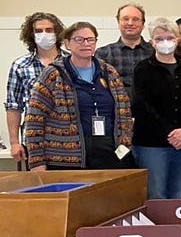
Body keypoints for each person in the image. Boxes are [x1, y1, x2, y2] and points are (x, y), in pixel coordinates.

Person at [25, 21, 133, 170]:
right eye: (79, 39)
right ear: (67, 43)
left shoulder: (109, 72)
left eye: (90, 39)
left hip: (109, 156)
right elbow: (34, 121)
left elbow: (125, 113)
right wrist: (37, 162)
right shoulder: (53, 74)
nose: (85, 43)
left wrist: (125, 143)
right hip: (65, 160)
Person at [131, 17, 181, 199]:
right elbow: (141, 106)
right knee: (155, 194)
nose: (165, 42)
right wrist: (170, 133)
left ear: (177, 39)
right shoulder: (143, 69)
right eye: (159, 38)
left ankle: (175, 228)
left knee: (178, 194)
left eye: (169, 37)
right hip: (152, 144)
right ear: (151, 42)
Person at [6, 12, 66, 163]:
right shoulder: (20, 66)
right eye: (38, 31)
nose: (44, 34)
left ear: (57, 33)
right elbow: (14, 106)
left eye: (49, 30)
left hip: (68, 140)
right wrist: (14, 143)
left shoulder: (71, 62)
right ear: (31, 35)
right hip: (34, 139)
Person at [95, 3, 153, 96]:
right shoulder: (103, 54)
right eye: (125, 19)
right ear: (118, 22)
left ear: (143, 24)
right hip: (116, 108)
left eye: (136, 19)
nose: (130, 23)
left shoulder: (154, 53)